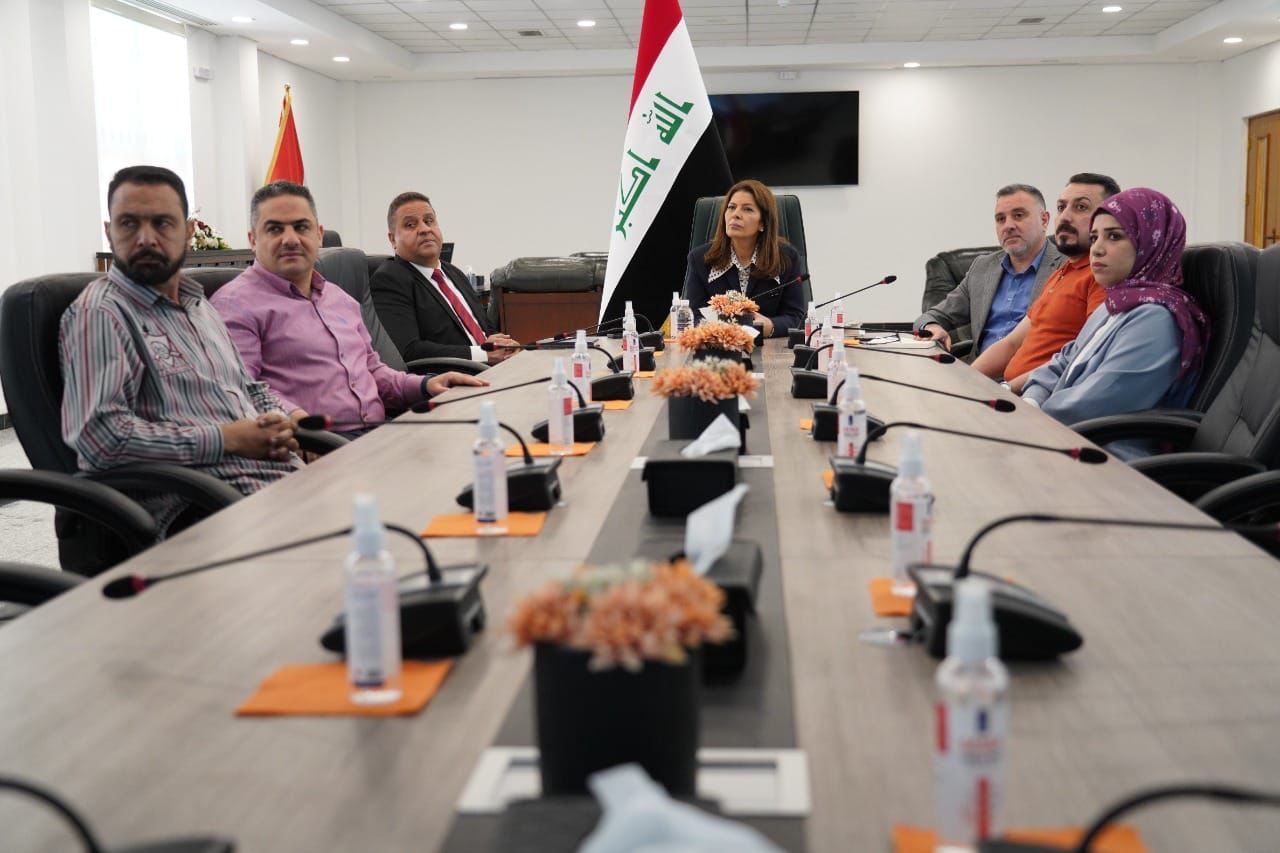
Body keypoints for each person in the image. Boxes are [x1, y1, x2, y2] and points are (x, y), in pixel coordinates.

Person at [60, 166, 299, 532]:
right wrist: (227, 439)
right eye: (128, 224)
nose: (145, 239)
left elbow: (247, 387)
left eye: (162, 223)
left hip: (273, 482)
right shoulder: (101, 314)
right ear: (109, 232)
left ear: (188, 232)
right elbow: (101, 438)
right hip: (203, 507)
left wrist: (277, 420)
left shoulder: (199, 305)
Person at [211, 182, 487, 437]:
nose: (291, 239)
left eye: (302, 227)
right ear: (253, 240)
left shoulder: (339, 299)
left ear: (319, 235)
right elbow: (242, 390)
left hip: (378, 435)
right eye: (274, 229)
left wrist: (426, 385)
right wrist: (302, 428)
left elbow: (374, 372)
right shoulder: (235, 304)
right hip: (316, 446)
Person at [1021, 187, 1208, 426]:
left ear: (1150, 243)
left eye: (1114, 236)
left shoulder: (1156, 320)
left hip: (1096, 444)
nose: (1096, 249)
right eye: (1094, 237)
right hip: (1055, 429)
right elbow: (1062, 362)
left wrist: (1026, 417)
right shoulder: (1114, 305)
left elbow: (1091, 405)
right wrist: (1031, 401)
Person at [972, 174, 1120, 390]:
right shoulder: (1062, 273)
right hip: (1011, 390)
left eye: (1080, 207)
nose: (1065, 217)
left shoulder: (1102, 276)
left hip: (1037, 397)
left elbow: (1084, 356)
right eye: (1061, 207)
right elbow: (1011, 343)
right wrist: (961, 380)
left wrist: (1007, 390)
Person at [370, 192, 519, 365]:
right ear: (393, 239)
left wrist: (501, 345)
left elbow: (484, 327)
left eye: (429, 221)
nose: (424, 229)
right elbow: (409, 351)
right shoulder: (390, 280)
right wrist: (483, 354)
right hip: (453, 376)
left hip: (492, 368)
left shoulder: (454, 273)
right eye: (410, 225)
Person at [916, 184, 1065, 355]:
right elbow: (932, 316)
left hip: (1035, 368)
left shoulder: (1067, 267)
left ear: (1044, 220)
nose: (1008, 226)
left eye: (1018, 215)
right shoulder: (982, 268)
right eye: (1000, 219)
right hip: (977, 368)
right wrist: (931, 327)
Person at [682, 179, 806, 338]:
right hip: (719, 346)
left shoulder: (786, 258)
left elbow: (796, 317)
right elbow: (692, 315)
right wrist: (722, 329)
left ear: (763, 223)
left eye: (747, 209)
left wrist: (771, 326)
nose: (736, 214)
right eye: (731, 207)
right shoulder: (700, 259)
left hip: (770, 347)